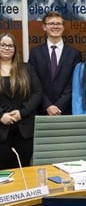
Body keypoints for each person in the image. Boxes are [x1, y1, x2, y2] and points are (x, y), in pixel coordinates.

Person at [0, 33, 42, 169]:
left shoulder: (26, 68)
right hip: (1, 130)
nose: (7, 48)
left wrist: (22, 112)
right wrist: (1, 115)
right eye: (3, 45)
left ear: (15, 48)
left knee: (23, 169)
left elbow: (37, 93)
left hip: (24, 129)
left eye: (10, 45)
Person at [28, 11, 82, 115]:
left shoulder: (75, 54)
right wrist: (47, 105)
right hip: (41, 110)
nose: (55, 26)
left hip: (66, 110)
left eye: (58, 24)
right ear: (44, 27)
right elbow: (33, 82)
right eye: (51, 23)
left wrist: (59, 105)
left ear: (63, 27)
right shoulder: (35, 52)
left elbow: (74, 83)